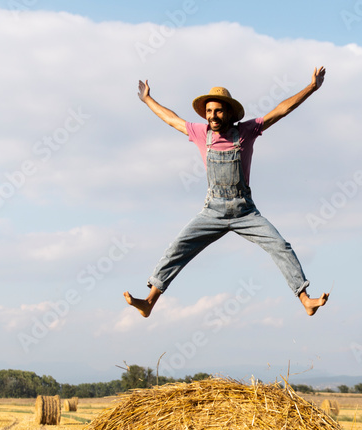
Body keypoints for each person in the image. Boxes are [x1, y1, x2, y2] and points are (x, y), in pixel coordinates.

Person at [124, 67, 330, 318]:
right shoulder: (201, 133)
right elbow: (171, 119)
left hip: (245, 212)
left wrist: (311, 87)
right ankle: (149, 302)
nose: (213, 115)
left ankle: (305, 299)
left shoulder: (247, 131)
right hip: (212, 211)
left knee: (280, 246)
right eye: (209, 111)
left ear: (229, 113)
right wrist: (147, 99)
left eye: (218, 110)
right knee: (178, 248)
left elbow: (281, 110)